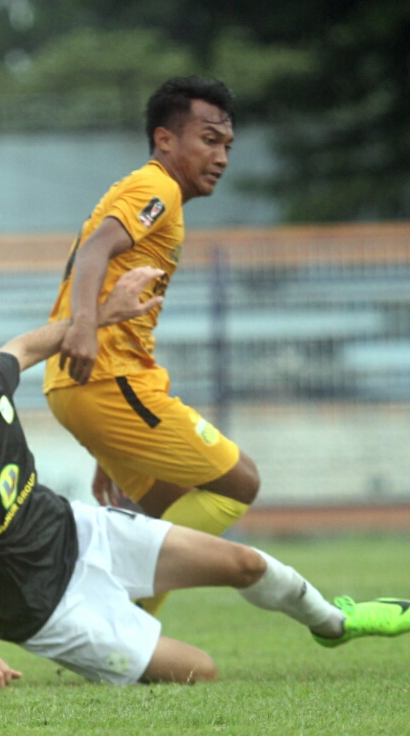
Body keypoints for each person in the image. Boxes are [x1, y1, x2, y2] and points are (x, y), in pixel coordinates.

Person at [0, 291, 410, 688]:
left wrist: (103, 312)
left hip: (81, 531)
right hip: (45, 608)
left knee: (247, 565)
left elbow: (30, 344)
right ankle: (99, 655)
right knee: (201, 673)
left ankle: (334, 623)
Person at [46, 76, 255, 614]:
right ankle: (107, 608)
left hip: (91, 387)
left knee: (176, 512)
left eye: (227, 145)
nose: (222, 157)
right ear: (165, 139)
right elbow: (94, 252)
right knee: (238, 483)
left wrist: (113, 445)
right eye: (209, 140)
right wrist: (86, 328)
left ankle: (121, 640)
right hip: (107, 378)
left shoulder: (154, 194)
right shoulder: (156, 187)